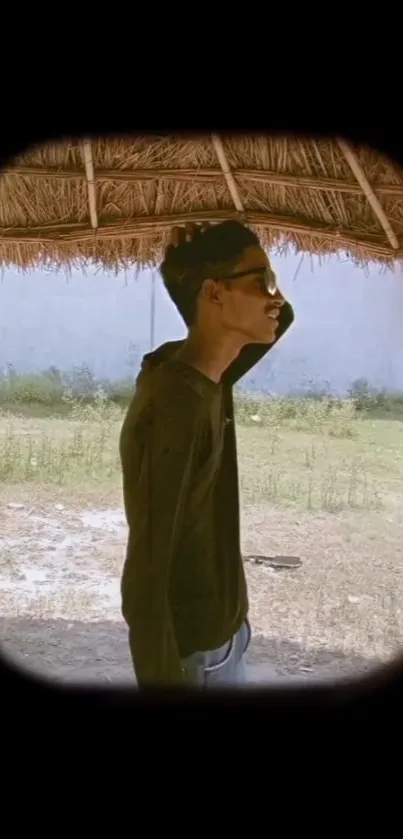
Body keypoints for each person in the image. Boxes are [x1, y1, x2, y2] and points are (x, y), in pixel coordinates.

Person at [119, 220, 295, 688]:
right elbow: (145, 572)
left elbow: (283, 318)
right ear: (214, 294)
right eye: (262, 282)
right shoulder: (177, 402)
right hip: (198, 653)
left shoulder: (212, 369)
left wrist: (203, 270)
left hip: (226, 634)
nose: (274, 296)